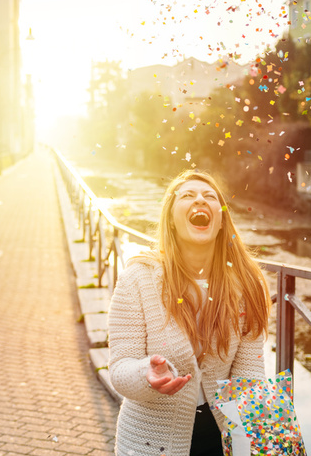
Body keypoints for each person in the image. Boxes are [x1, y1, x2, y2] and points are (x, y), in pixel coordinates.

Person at [108, 170, 271, 456]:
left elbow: (249, 371)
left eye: (210, 197)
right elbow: (120, 368)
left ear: (221, 222)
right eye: (187, 195)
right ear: (171, 219)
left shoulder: (248, 284)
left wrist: (262, 435)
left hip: (225, 437)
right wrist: (147, 376)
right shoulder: (138, 277)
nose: (200, 200)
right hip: (149, 441)